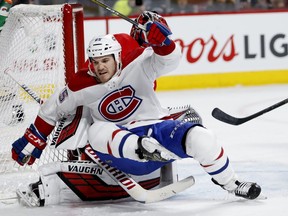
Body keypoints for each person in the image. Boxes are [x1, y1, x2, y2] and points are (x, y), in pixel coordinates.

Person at [12, 11, 261, 206]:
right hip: (122, 154)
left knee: (201, 136)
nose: (99, 67)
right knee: (97, 132)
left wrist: (162, 42)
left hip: (156, 132)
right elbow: (50, 110)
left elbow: (170, 60)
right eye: (95, 62)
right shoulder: (80, 85)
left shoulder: (139, 64)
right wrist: (33, 139)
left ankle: (232, 183)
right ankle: (143, 149)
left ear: (118, 58)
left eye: (105, 61)